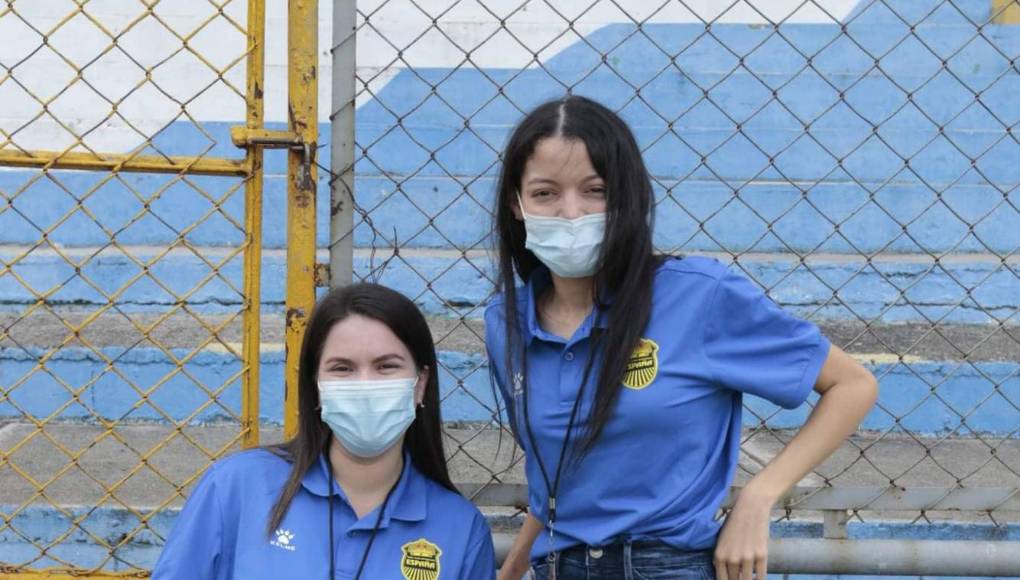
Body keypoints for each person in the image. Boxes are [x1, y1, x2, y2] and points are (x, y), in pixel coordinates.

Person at [486, 95, 879, 580]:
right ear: (516, 203)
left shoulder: (699, 296)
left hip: (671, 564)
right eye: (546, 193)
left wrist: (759, 497)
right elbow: (556, 482)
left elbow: (853, 385)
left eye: (595, 190)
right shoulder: (506, 323)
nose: (571, 213)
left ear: (626, 196)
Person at [154, 283, 496, 579]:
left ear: (420, 384)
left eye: (386, 366)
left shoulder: (461, 530)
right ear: (316, 386)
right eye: (342, 368)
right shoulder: (236, 488)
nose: (364, 385)